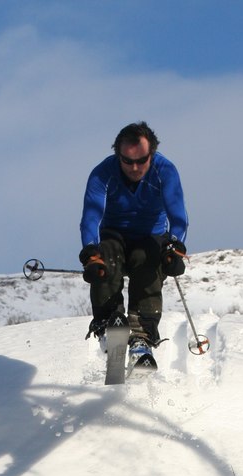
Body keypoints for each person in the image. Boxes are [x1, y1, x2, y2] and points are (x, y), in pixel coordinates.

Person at [79, 121, 188, 363]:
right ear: (117, 155)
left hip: (150, 237)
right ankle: (110, 324)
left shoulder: (165, 171)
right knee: (106, 258)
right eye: (127, 161)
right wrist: (90, 252)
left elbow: (179, 218)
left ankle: (142, 338)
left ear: (153, 153)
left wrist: (175, 248)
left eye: (142, 160)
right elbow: (91, 217)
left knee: (147, 258)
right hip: (113, 236)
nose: (135, 167)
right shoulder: (102, 174)